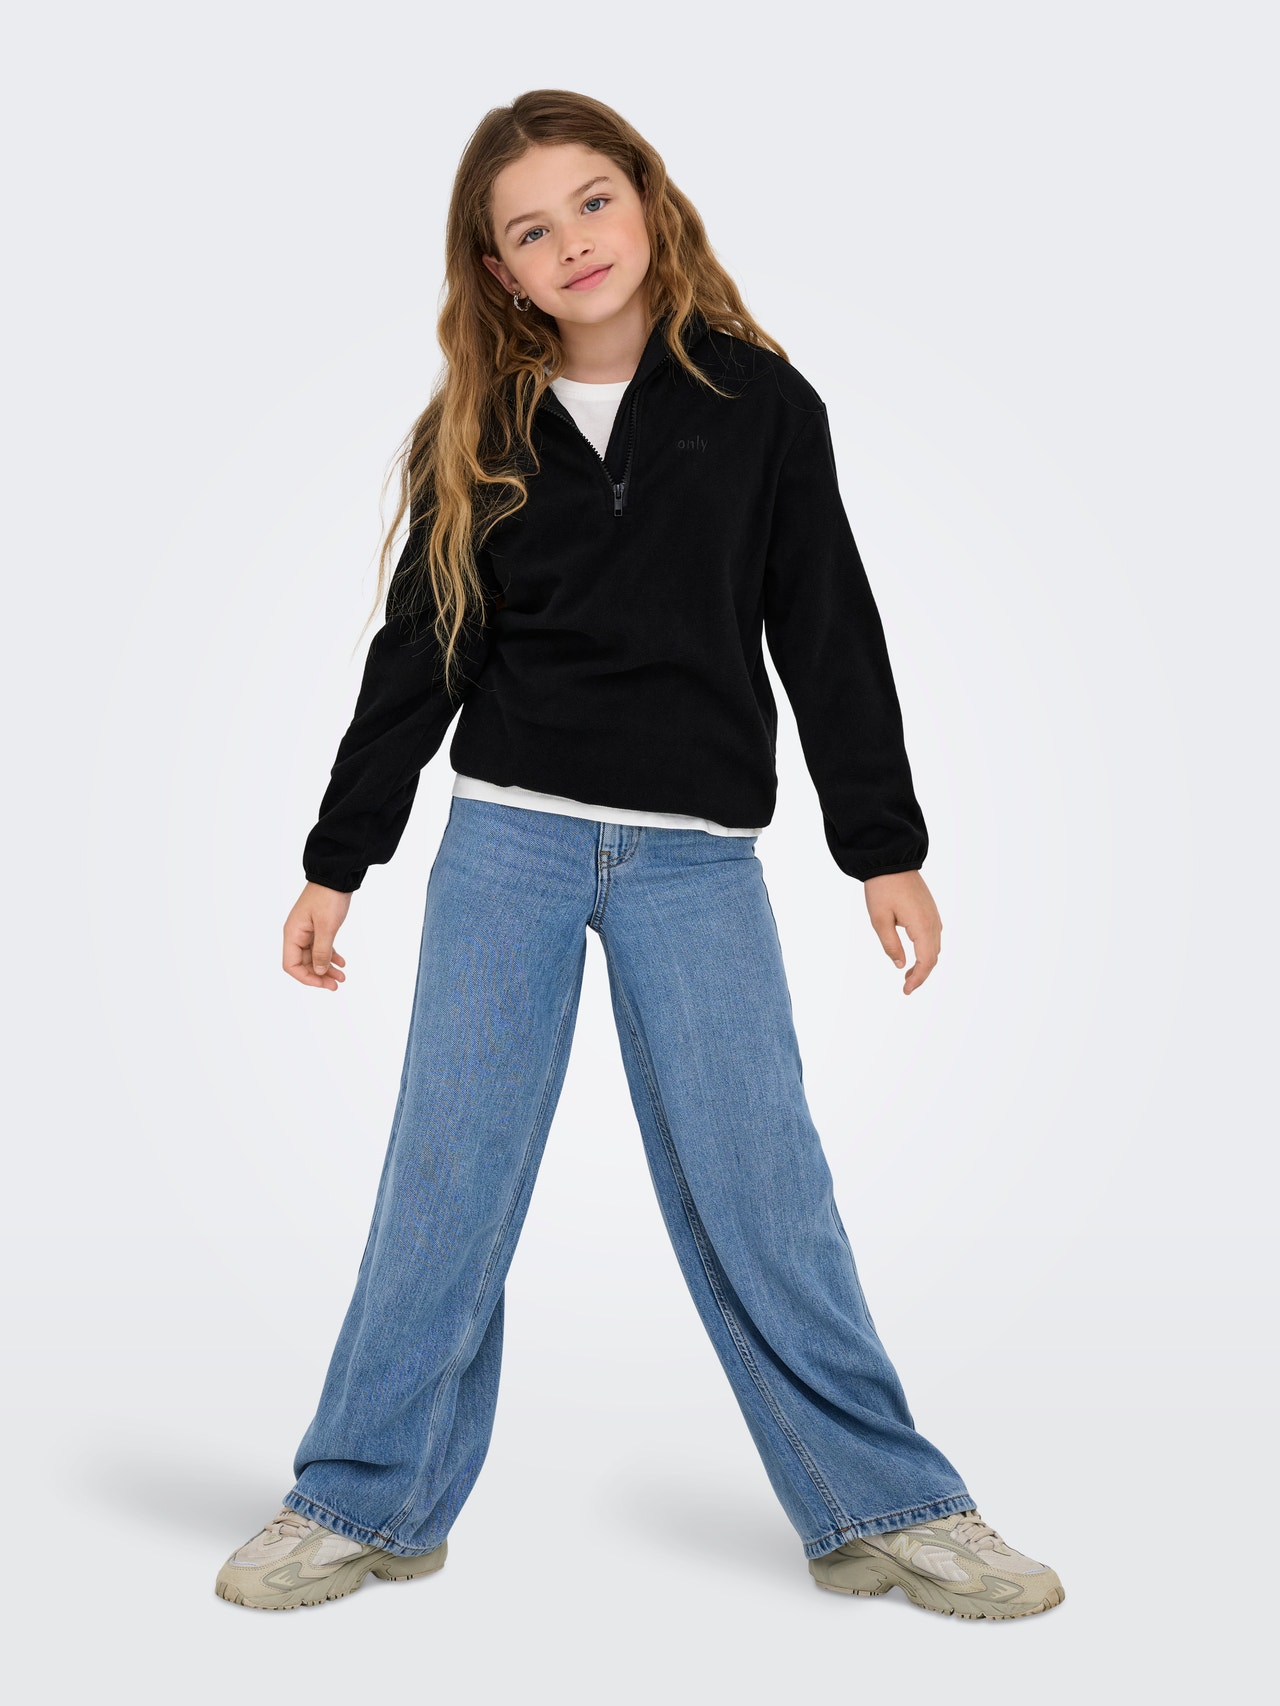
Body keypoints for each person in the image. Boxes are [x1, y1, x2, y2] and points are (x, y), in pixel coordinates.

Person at [215, 88, 1064, 1620]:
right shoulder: (476, 433)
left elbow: (828, 629)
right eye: (531, 230)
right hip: (508, 846)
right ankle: (362, 1501)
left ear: (650, 202)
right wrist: (340, 860)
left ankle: (885, 1507)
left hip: (695, 865)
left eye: (593, 201)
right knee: (445, 1185)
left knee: (765, 1186)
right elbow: (419, 655)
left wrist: (883, 846)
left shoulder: (761, 405)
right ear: (500, 272)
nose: (574, 242)